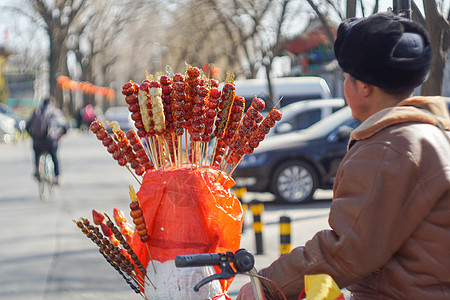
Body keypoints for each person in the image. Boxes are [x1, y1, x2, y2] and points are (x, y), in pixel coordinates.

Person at [237, 12, 450, 300]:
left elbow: (345, 251)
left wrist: (266, 286)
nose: (345, 85)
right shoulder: (430, 133)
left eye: (347, 77)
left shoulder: (390, 146)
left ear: (363, 87)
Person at [26, 96, 69, 184]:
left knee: (36, 153)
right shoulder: (55, 112)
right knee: (54, 156)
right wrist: (61, 134)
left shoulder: (37, 111)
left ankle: (37, 167)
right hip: (50, 141)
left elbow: (27, 126)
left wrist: (32, 136)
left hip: (37, 141)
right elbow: (65, 125)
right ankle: (57, 176)